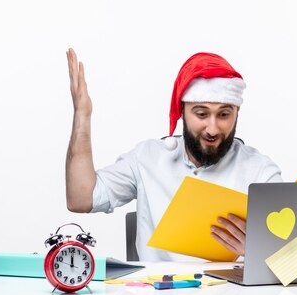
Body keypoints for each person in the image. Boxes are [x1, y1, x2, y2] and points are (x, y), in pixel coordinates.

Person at [65, 49, 282, 261]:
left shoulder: (260, 171)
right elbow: (81, 199)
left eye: (224, 114)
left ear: (237, 113)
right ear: (182, 111)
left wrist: (257, 251)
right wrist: (82, 116)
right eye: (201, 114)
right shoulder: (146, 157)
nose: (213, 128)